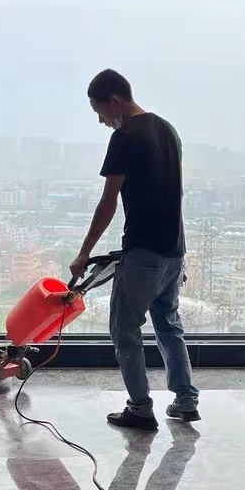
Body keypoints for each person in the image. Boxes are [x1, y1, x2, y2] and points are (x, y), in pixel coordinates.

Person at [70, 69, 200, 429]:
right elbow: (172, 193)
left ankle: (140, 409)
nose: (102, 121)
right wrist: (176, 253)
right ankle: (186, 400)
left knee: (124, 331)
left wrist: (83, 253)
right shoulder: (168, 131)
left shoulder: (125, 137)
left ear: (115, 101)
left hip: (143, 254)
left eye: (100, 113)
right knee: (169, 325)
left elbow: (107, 203)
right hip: (173, 251)